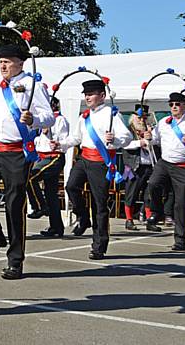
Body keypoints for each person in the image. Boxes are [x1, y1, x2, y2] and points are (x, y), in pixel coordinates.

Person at [0, 45, 54, 280]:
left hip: (16, 153)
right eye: (0, 61)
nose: (2, 66)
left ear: (20, 63)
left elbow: (49, 117)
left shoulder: (33, 86)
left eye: (7, 61)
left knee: (14, 206)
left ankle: (15, 261)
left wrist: (34, 119)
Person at [55, 80, 132, 260]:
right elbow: (76, 138)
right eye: (86, 94)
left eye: (91, 94)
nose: (87, 97)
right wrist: (61, 144)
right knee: (71, 187)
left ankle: (99, 245)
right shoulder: (85, 116)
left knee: (99, 204)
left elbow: (126, 138)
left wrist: (114, 140)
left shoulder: (112, 114)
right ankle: (83, 217)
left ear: (102, 96)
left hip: (100, 162)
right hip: (84, 158)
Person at [146, 92, 185, 251]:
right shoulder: (163, 122)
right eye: (171, 104)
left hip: (184, 166)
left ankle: (180, 239)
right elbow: (154, 139)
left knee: (181, 203)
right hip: (165, 162)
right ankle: (157, 211)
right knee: (152, 184)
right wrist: (148, 136)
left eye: (177, 104)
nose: (174, 107)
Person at [26, 96, 69, 236]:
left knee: (30, 177)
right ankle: (56, 227)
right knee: (51, 195)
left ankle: (39, 206)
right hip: (43, 157)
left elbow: (62, 140)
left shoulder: (59, 119)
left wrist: (50, 134)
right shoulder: (42, 120)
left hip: (54, 157)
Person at [122, 105, 159, 231]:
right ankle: (129, 220)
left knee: (149, 195)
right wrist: (139, 142)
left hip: (150, 166)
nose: (142, 120)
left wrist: (151, 138)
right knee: (131, 194)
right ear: (133, 118)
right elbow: (124, 144)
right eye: (139, 117)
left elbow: (157, 144)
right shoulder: (128, 130)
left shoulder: (150, 131)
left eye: (144, 117)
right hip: (133, 167)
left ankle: (149, 220)